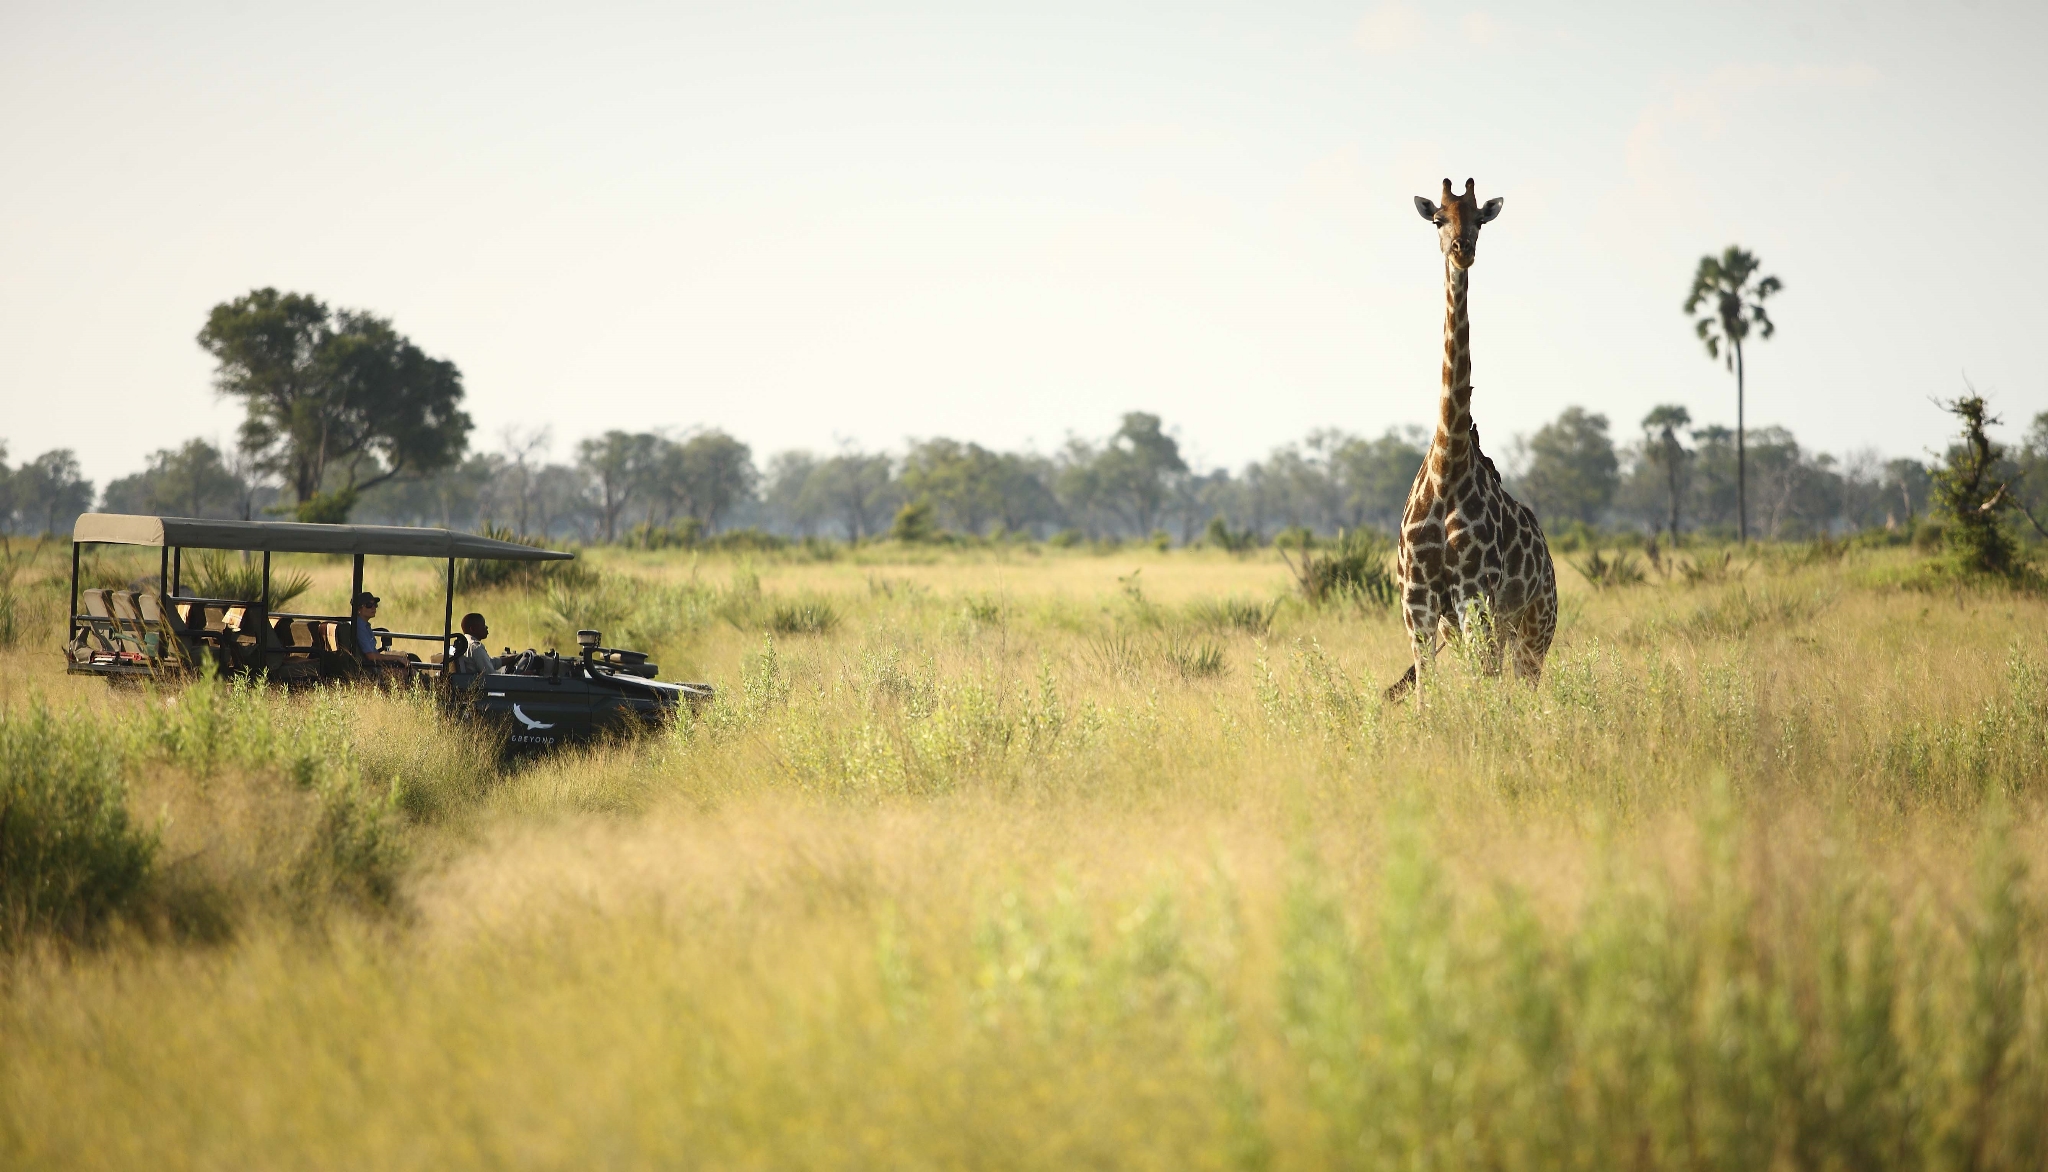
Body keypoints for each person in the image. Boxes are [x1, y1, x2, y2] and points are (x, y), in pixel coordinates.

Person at [350, 591, 410, 668]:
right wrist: (397, 658)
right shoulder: (359, 627)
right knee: (409, 671)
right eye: (369, 605)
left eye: (375, 605)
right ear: (359, 609)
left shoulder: (363, 625)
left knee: (409, 658)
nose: (373, 608)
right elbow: (370, 656)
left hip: (373, 665)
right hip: (371, 667)